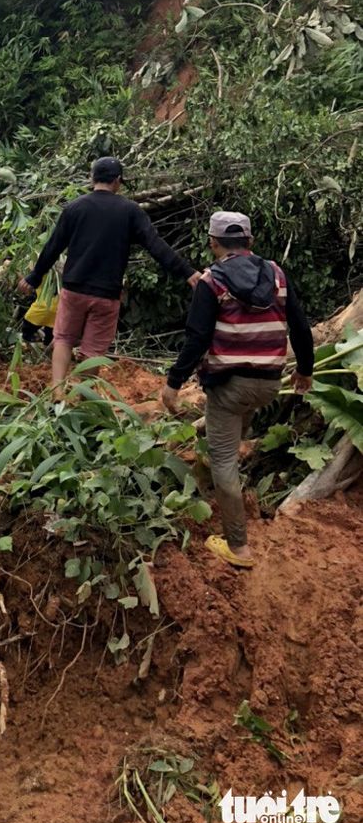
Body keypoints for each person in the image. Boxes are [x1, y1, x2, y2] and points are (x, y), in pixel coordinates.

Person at [160, 211, 314, 569]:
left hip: (230, 386)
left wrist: (173, 382)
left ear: (213, 243)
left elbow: (197, 337)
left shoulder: (212, 281)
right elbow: (300, 326)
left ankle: (238, 547)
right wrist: (304, 371)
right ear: (250, 241)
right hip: (268, 385)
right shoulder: (276, 274)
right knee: (231, 441)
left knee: (224, 460)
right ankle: (228, 494)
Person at [18, 157, 200, 388]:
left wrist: (34, 277)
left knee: (63, 338)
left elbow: (53, 247)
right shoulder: (130, 211)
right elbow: (156, 246)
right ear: (117, 181)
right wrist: (187, 272)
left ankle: (57, 392)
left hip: (74, 289)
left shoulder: (74, 208)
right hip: (106, 294)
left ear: (92, 179)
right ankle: (84, 398)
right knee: (93, 349)